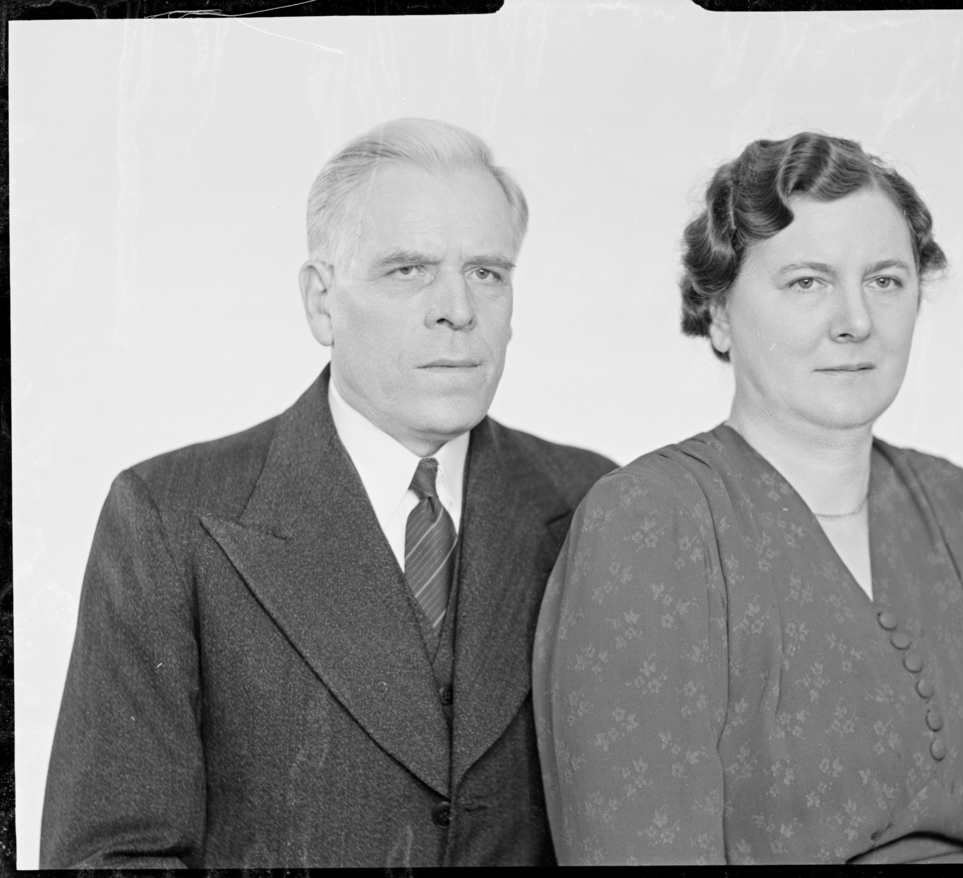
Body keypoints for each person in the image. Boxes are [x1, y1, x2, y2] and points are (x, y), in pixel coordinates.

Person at [41, 118, 616, 868]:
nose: (458, 308)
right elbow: (112, 857)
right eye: (407, 269)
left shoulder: (594, 501)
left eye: (486, 272)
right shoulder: (169, 515)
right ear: (321, 301)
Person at [533, 132, 963, 864]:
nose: (856, 320)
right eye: (807, 282)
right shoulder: (649, 524)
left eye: (885, 280)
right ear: (719, 312)